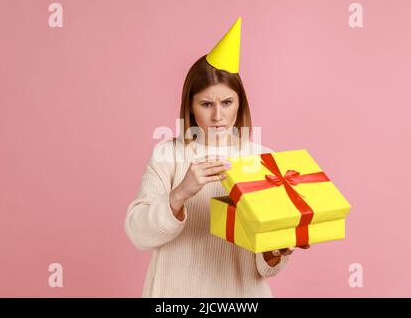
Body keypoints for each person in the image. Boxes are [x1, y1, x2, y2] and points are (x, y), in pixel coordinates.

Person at [124, 17, 308, 298]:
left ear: (240, 103)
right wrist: (180, 193)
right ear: (191, 105)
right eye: (206, 104)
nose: (218, 116)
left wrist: (276, 251)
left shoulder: (264, 160)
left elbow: (266, 268)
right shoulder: (168, 154)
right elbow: (138, 234)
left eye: (227, 103)